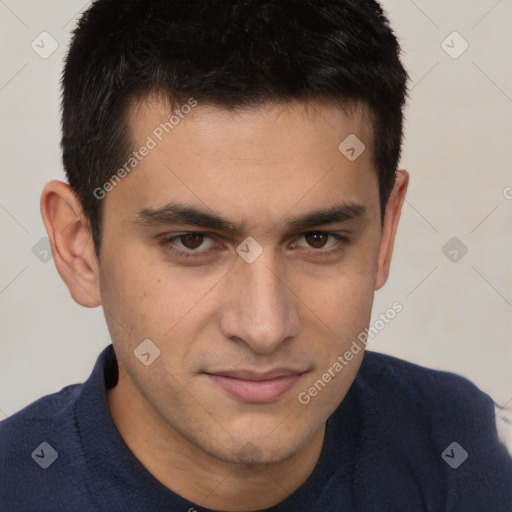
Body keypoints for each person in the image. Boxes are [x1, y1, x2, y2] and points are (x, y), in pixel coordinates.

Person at [1, 0, 511, 510]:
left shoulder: (460, 451)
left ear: (386, 232)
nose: (264, 327)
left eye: (318, 239)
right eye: (192, 241)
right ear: (79, 247)